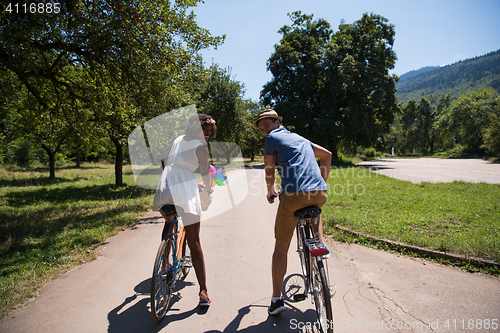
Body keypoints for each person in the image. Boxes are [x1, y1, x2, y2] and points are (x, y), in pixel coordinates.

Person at [254, 109, 332, 315]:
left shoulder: (272, 138)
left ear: (277, 121)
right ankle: (320, 247)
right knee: (316, 212)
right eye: (261, 128)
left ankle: (276, 300)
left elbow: (269, 171)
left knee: (281, 246)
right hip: (318, 194)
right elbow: (327, 155)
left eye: (266, 124)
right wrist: (322, 183)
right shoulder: (299, 138)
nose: (264, 130)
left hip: (293, 197)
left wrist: (270, 191)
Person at [152, 113, 217, 307]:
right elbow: (205, 173)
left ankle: (164, 262)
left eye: (209, 131)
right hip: (184, 189)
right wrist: (208, 188)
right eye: (204, 130)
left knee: (169, 220)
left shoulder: (177, 140)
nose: (206, 134)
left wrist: (168, 177)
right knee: (194, 240)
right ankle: (203, 291)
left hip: (165, 188)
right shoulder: (200, 148)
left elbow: (164, 162)